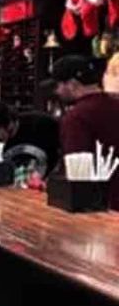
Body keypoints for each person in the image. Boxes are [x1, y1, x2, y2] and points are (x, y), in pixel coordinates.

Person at [44, 54, 119, 209]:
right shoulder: (115, 105)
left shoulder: (76, 117)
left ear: (72, 84)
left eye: (58, 85)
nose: (56, 91)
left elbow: (76, 166)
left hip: (97, 205)